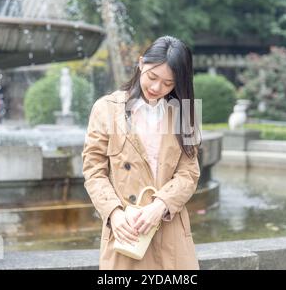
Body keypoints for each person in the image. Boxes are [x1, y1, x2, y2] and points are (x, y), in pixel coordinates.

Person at [82, 36, 202, 270]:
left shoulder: (186, 113)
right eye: (152, 77)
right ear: (141, 63)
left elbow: (189, 173)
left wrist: (159, 206)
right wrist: (114, 214)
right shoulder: (106, 108)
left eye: (168, 83)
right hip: (127, 231)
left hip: (171, 233)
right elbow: (94, 171)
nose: (157, 88)